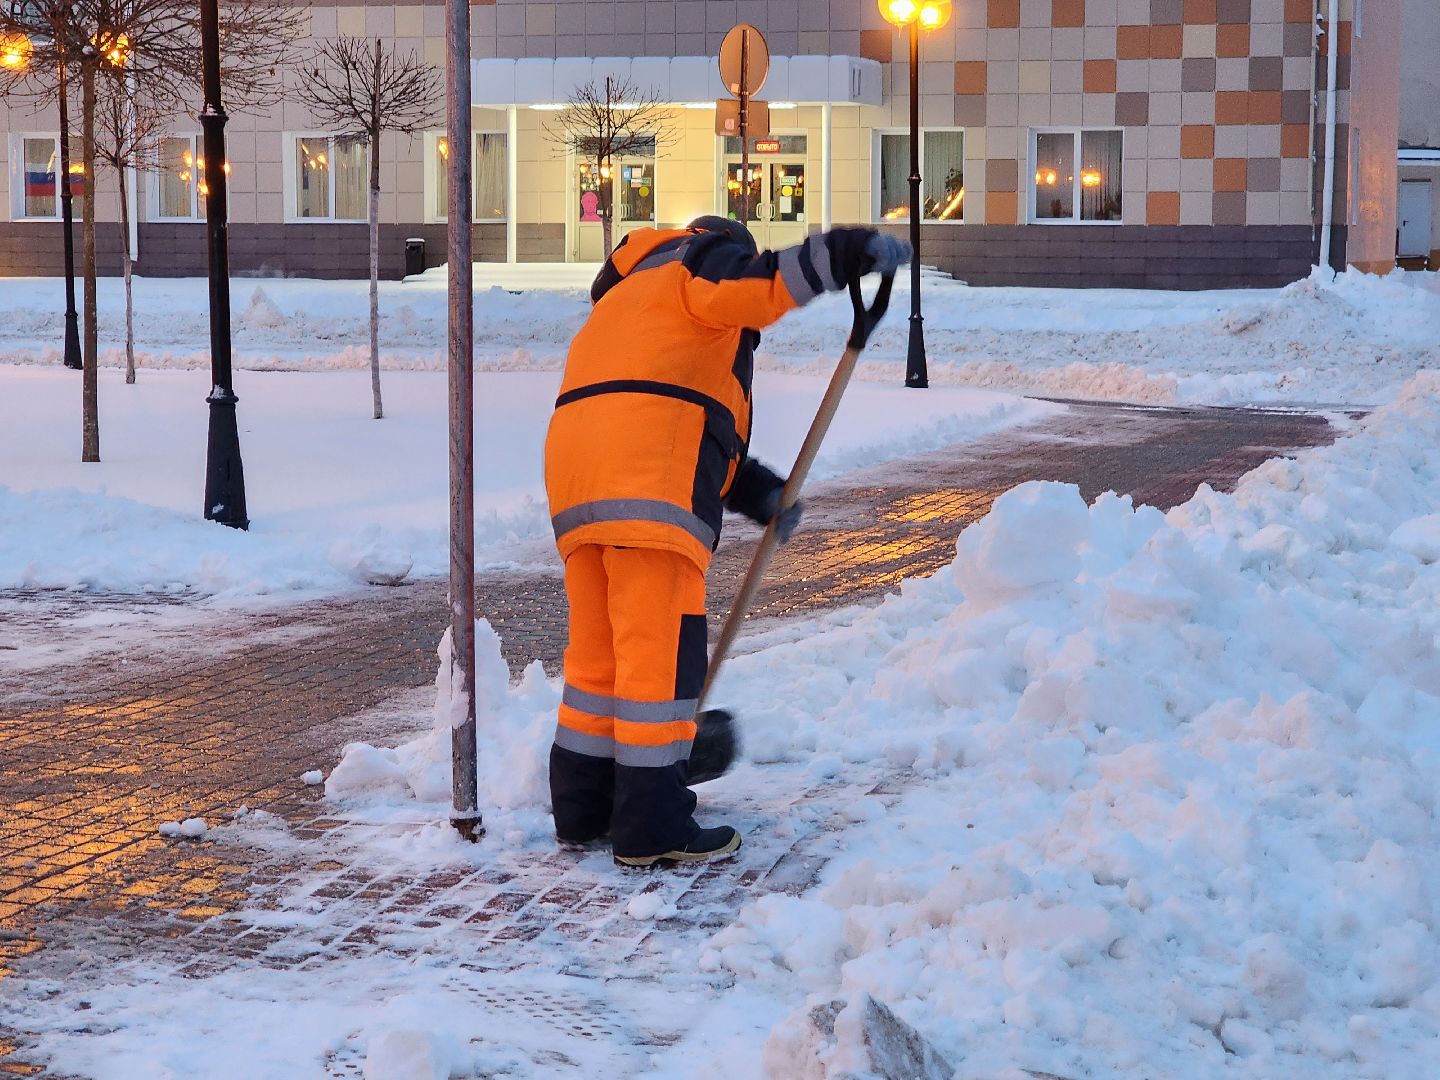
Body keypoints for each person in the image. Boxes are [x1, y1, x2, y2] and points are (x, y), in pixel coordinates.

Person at [544, 216, 911, 869]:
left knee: (598, 668)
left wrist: (762, 494)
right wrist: (849, 252)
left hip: (579, 484)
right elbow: (764, 284)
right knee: (659, 666)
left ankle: (584, 809)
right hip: (649, 488)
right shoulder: (701, 262)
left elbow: (679, 418)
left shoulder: (631, 298)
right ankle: (652, 826)